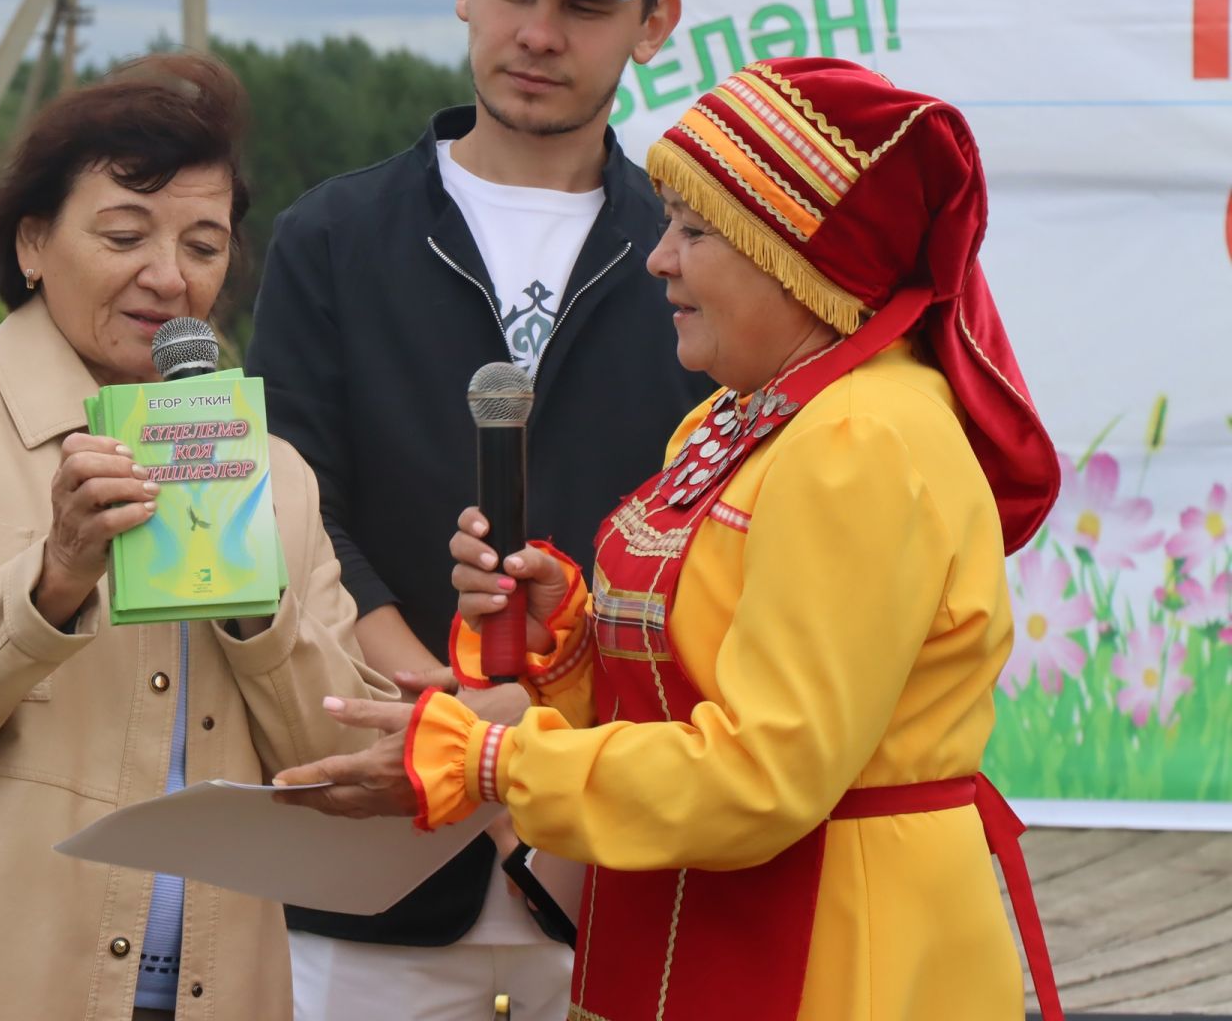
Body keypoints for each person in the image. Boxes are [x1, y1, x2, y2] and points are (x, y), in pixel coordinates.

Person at [273, 57, 1068, 1021]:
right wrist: (572, 637)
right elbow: (689, 682)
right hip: (714, 910)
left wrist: (494, 761)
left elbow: (762, 773)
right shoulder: (738, 420)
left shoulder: (862, 438)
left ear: (796, 256)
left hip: (836, 942)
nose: (660, 257)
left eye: (695, 232)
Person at [0, 53, 394, 1021]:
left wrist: (260, 605)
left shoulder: (276, 477)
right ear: (33, 243)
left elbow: (333, 759)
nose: (169, 277)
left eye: (206, 244)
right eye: (124, 233)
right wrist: (49, 580)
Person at [245, 0, 712, 1017]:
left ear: (656, 24)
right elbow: (296, 511)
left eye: (586, 3)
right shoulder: (333, 240)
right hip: (375, 872)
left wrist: (542, 722)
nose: (538, 34)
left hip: (625, 870)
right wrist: (440, 706)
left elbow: (720, 534)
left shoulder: (703, 256)